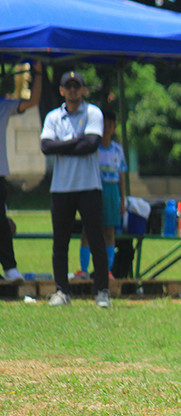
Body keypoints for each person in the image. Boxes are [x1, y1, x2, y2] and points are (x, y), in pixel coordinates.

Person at [40, 71, 109, 308]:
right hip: (61, 188)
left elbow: (90, 145)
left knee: (96, 239)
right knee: (60, 243)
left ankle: (101, 291)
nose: (72, 90)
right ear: (61, 90)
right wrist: (75, 141)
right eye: (68, 87)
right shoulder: (53, 117)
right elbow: (46, 147)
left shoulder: (93, 113)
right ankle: (62, 291)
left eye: (76, 86)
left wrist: (62, 145)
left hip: (89, 186)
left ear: (83, 90)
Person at [0, 61, 42, 283]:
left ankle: (9, 268)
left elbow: (33, 101)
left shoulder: (3, 105)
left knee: (2, 224)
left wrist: (38, 73)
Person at [76, 109, 127, 280]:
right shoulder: (93, 148)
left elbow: (121, 176)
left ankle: (107, 270)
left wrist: (122, 199)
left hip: (112, 191)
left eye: (110, 125)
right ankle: (84, 270)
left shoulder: (117, 150)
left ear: (114, 127)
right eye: (104, 125)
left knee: (109, 231)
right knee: (88, 230)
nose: (107, 128)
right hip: (95, 189)